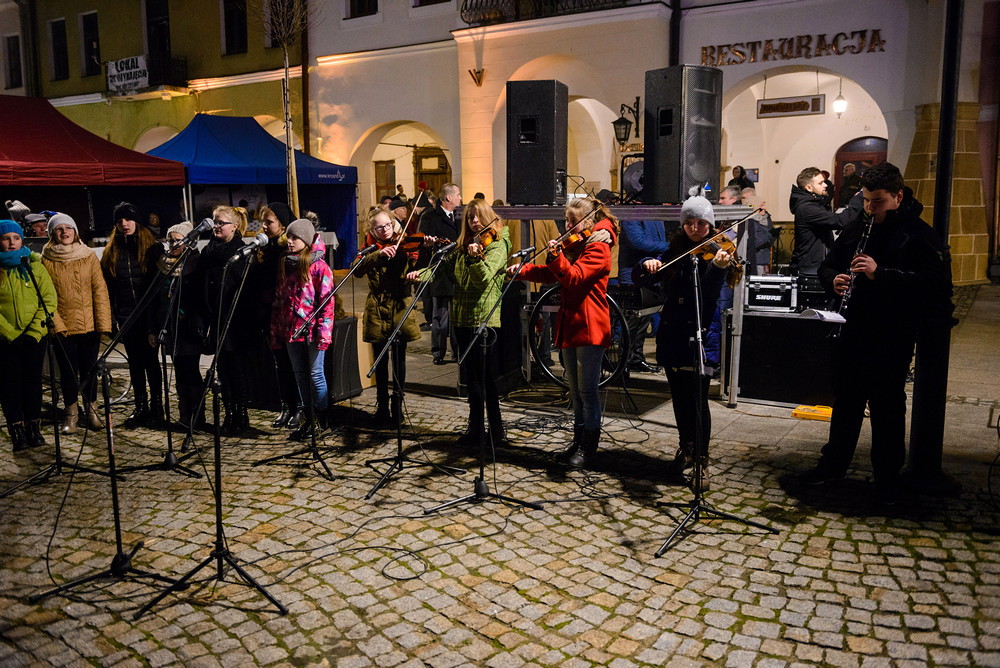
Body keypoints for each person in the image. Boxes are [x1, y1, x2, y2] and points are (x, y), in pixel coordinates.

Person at [801, 162, 952, 504]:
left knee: (886, 405)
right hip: (852, 328)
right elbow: (829, 265)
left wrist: (880, 273)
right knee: (846, 402)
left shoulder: (918, 233)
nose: (870, 208)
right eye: (867, 200)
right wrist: (833, 280)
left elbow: (935, 284)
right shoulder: (860, 226)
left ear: (898, 196)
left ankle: (887, 475)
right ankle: (833, 464)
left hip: (891, 334)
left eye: (878, 201)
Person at [507, 197, 619, 469]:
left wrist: (557, 256)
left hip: (590, 324)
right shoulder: (578, 245)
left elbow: (574, 277)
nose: (567, 226)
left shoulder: (597, 249)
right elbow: (553, 274)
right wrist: (524, 271)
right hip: (571, 322)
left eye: (572, 221)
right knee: (574, 390)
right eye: (566, 220)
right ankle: (578, 440)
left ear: (589, 222)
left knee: (587, 391)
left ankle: (588, 446)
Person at [633, 196, 735, 478]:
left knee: (698, 398)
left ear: (710, 224)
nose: (695, 228)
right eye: (689, 223)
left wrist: (717, 269)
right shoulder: (675, 249)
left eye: (701, 223)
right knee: (679, 395)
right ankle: (686, 447)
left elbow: (707, 296)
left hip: (701, 330)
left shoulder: (718, 252)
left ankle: (701, 456)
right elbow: (646, 280)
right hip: (673, 329)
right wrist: (646, 264)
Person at [409, 199, 510, 447]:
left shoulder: (497, 245)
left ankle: (496, 433)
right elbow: (440, 270)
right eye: (470, 217)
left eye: (478, 216)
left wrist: (476, 259)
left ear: (488, 217)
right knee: (471, 380)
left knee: (486, 380)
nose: (474, 221)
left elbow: (485, 278)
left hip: (484, 319)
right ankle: (475, 429)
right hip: (462, 318)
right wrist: (419, 274)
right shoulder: (463, 246)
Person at [41, 213, 112, 434]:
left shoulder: (88, 255)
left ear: (75, 232)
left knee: (89, 372)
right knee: (68, 373)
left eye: (68, 228)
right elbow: (46, 296)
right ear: (53, 233)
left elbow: (99, 290)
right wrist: (57, 326)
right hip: (64, 329)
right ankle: (71, 413)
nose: (65, 232)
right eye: (59, 229)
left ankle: (91, 411)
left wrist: (103, 324)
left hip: (89, 327)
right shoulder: (46, 259)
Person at [100, 202, 165, 429]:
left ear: (136, 221)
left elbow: (160, 287)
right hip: (126, 316)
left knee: (151, 362)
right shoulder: (111, 252)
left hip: (149, 316)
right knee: (136, 364)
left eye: (128, 220)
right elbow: (107, 287)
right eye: (120, 221)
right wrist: (112, 317)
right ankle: (141, 406)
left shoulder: (152, 248)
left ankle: (157, 407)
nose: (124, 225)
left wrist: (155, 322)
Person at [269, 219, 335, 441]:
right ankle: (308, 418)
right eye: (288, 237)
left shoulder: (319, 267)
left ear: (305, 240)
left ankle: (322, 418)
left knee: (315, 374)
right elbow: (279, 301)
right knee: (299, 375)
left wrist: (323, 335)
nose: (289, 242)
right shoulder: (285, 264)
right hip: (290, 329)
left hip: (312, 331)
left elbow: (327, 305)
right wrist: (276, 330)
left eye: (294, 238)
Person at [355, 209, 421, 423]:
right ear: (371, 230)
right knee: (380, 362)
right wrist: (378, 254)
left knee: (400, 360)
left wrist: (426, 249)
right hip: (377, 309)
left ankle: (398, 406)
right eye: (379, 227)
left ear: (393, 225)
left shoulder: (404, 244)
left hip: (400, 307)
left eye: (388, 225)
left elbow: (419, 265)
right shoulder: (369, 248)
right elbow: (356, 269)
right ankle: (382, 407)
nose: (385, 230)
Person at [195, 205, 254, 435]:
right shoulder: (208, 251)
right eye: (215, 222)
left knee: (236, 369)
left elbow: (245, 290)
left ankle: (241, 414)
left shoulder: (241, 252)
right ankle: (229, 414)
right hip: (215, 318)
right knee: (221, 369)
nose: (216, 226)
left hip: (235, 320)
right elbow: (200, 286)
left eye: (221, 223)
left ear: (235, 227)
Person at [0, 219, 58, 451]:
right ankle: (17, 431)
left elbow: (48, 299)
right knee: (9, 385)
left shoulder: (34, 265)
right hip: (5, 341)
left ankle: (34, 428)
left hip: (34, 337)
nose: (11, 243)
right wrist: (10, 334)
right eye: (5, 238)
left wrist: (33, 332)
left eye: (15, 238)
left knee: (32, 383)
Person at [152, 222, 206, 432]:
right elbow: (157, 300)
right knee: (179, 370)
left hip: (188, 328)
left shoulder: (195, 264)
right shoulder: (163, 264)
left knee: (191, 369)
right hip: (170, 327)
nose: (174, 244)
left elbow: (198, 297)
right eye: (171, 240)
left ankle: (197, 415)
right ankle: (184, 413)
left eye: (178, 240)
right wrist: (154, 328)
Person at [257, 202, 301, 429]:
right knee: (280, 364)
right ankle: (286, 406)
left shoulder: (289, 250)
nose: (264, 226)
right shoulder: (263, 249)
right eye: (262, 222)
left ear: (283, 225)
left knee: (295, 364)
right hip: (270, 316)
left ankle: (299, 407)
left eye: (269, 222)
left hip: (290, 315)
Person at [788, 167, 861, 277]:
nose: (825, 185)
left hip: (815, 266)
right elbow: (839, 221)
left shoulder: (815, 203)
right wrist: (859, 199)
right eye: (821, 183)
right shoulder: (807, 208)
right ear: (809, 187)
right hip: (810, 268)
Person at [617, 218, 669, 374]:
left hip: (651, 273)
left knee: (644, 320)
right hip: (632, 274)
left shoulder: (655, 216)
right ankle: (623, 363)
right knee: (631, 322)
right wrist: (670, 247)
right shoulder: (631, 217)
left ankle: (635, 359)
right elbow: (638, 242)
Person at [419, 183, 462, 365]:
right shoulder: (430, 216)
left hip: (458, 271)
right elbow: (423, 242)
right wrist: (429, 244)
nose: (461, 198)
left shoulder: (459, 217)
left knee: (457, 316)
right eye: (458, 195)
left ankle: (457, 351)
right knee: (440, 314)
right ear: (449, 198)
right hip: (440, 271)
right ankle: (438, 351)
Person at [741, 188, 776, 275]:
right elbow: (753, 242)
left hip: (764, 258)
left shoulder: (766, 217)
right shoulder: (749, 220)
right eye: (761, 206)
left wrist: (772, 235)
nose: (764, 208)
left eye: (764, 205)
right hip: (754, 259)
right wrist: (769, 235)